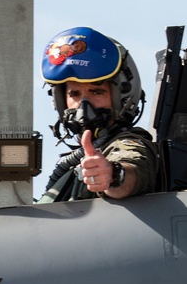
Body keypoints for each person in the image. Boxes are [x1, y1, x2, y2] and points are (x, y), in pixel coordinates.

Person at [36, 26, 159, 203]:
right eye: (74, 94)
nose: (84, 106)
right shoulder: (79, 161)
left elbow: (134, 165)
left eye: (97, 92)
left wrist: (113, 175)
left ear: (122, 96)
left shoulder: (127, 143)